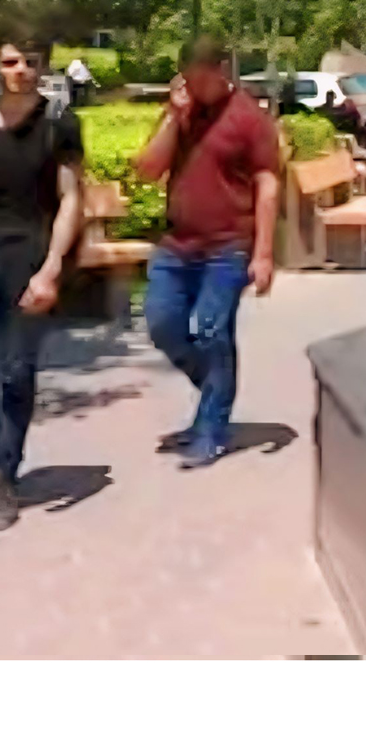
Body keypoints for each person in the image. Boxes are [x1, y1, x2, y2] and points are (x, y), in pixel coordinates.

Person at [0, 30, 86, 528]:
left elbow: (71, 199)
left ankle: (3, 479)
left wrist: (51, 269)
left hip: (31, 259)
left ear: (43, 66)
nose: (21, 71)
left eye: (30, 62)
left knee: (16, 371)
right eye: (11, 62)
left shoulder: (58, 126)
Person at [133, 36, 281, 469]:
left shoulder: (250, 119)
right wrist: (173, 119)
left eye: (204, 78)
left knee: (212, 332)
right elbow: (148, 169)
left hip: (228, 247)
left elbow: (268, 185)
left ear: (223, 71)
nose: (197, 88)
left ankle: (211, 428)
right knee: (162, 325)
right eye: (189, 80)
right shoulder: (181, 113)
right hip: (177, 244)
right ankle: (217, 387)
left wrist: (265, 253)